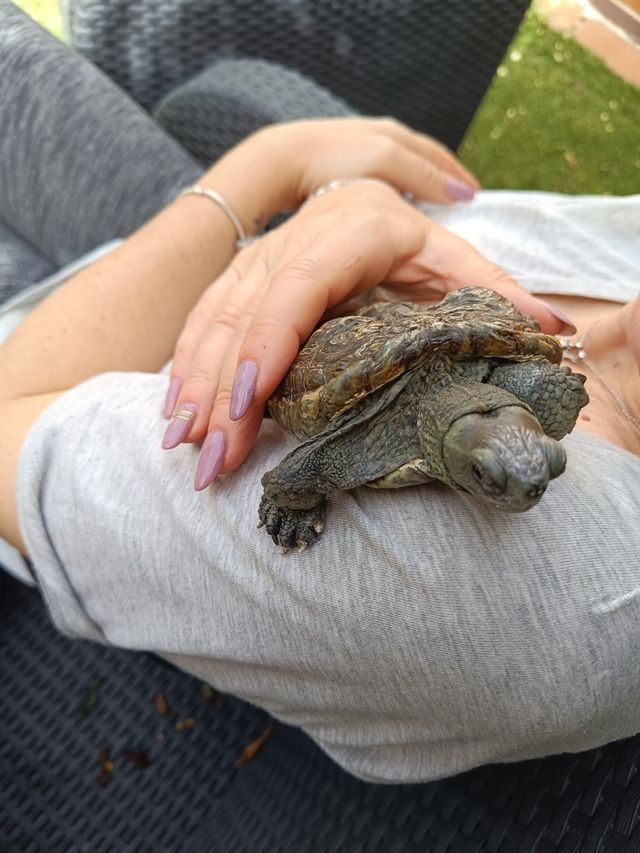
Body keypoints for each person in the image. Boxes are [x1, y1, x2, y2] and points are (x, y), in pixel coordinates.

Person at [1, 2, 640, 784]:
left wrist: (272, 163)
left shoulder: (556, 592)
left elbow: (9, 423)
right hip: (185, 246)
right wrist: (342, 200)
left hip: (48, 348)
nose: (531, 484)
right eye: (543, 454)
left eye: (503, 476)